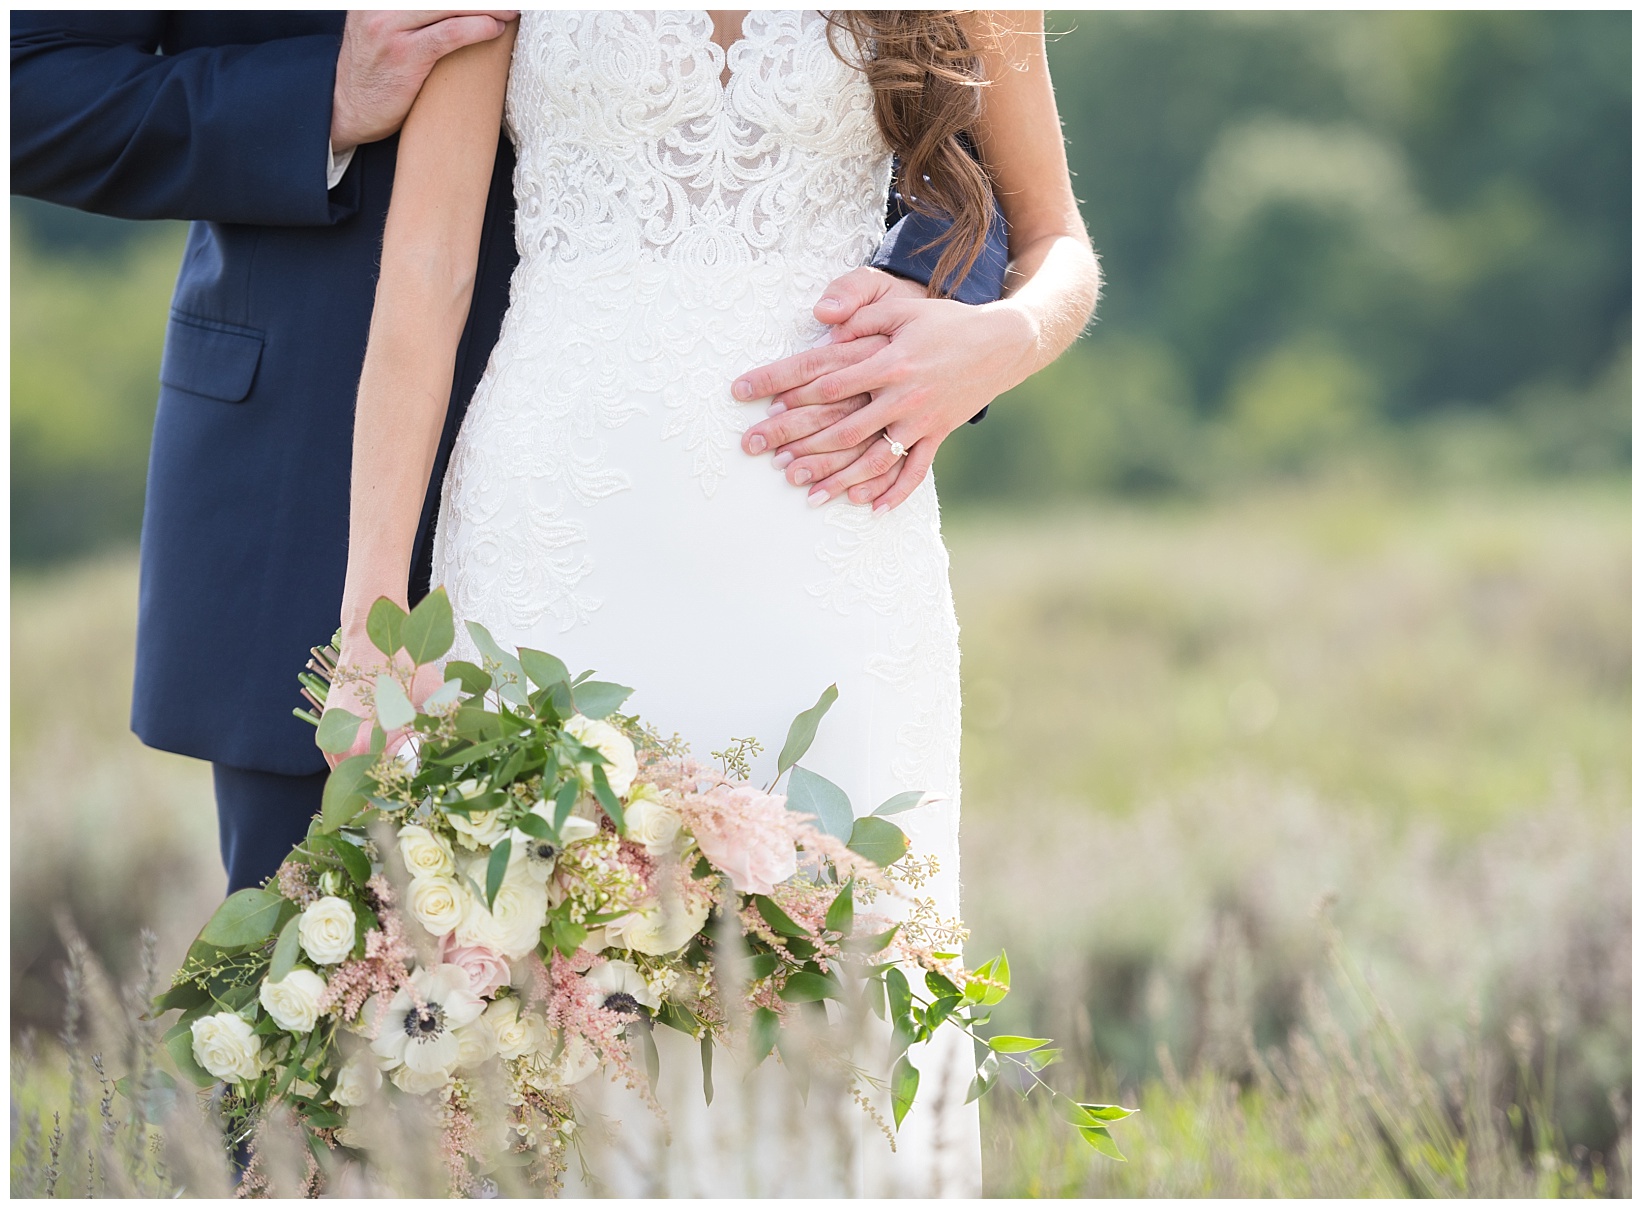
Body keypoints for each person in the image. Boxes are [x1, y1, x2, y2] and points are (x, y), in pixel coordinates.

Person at [325, 10, 1098, 1195]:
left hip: (833, 545)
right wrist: (374, 621)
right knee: (552, 1003)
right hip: (556, 535)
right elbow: (429, 268)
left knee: (853, 988)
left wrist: (998, 341)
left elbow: (1056, 242)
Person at [8, 11, 1008, 894]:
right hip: (328, 453)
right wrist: (319, 97)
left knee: (817, 956)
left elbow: (976, 126)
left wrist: (952, 315)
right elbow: (29, 77)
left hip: (763, 474)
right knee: (342, 1031)